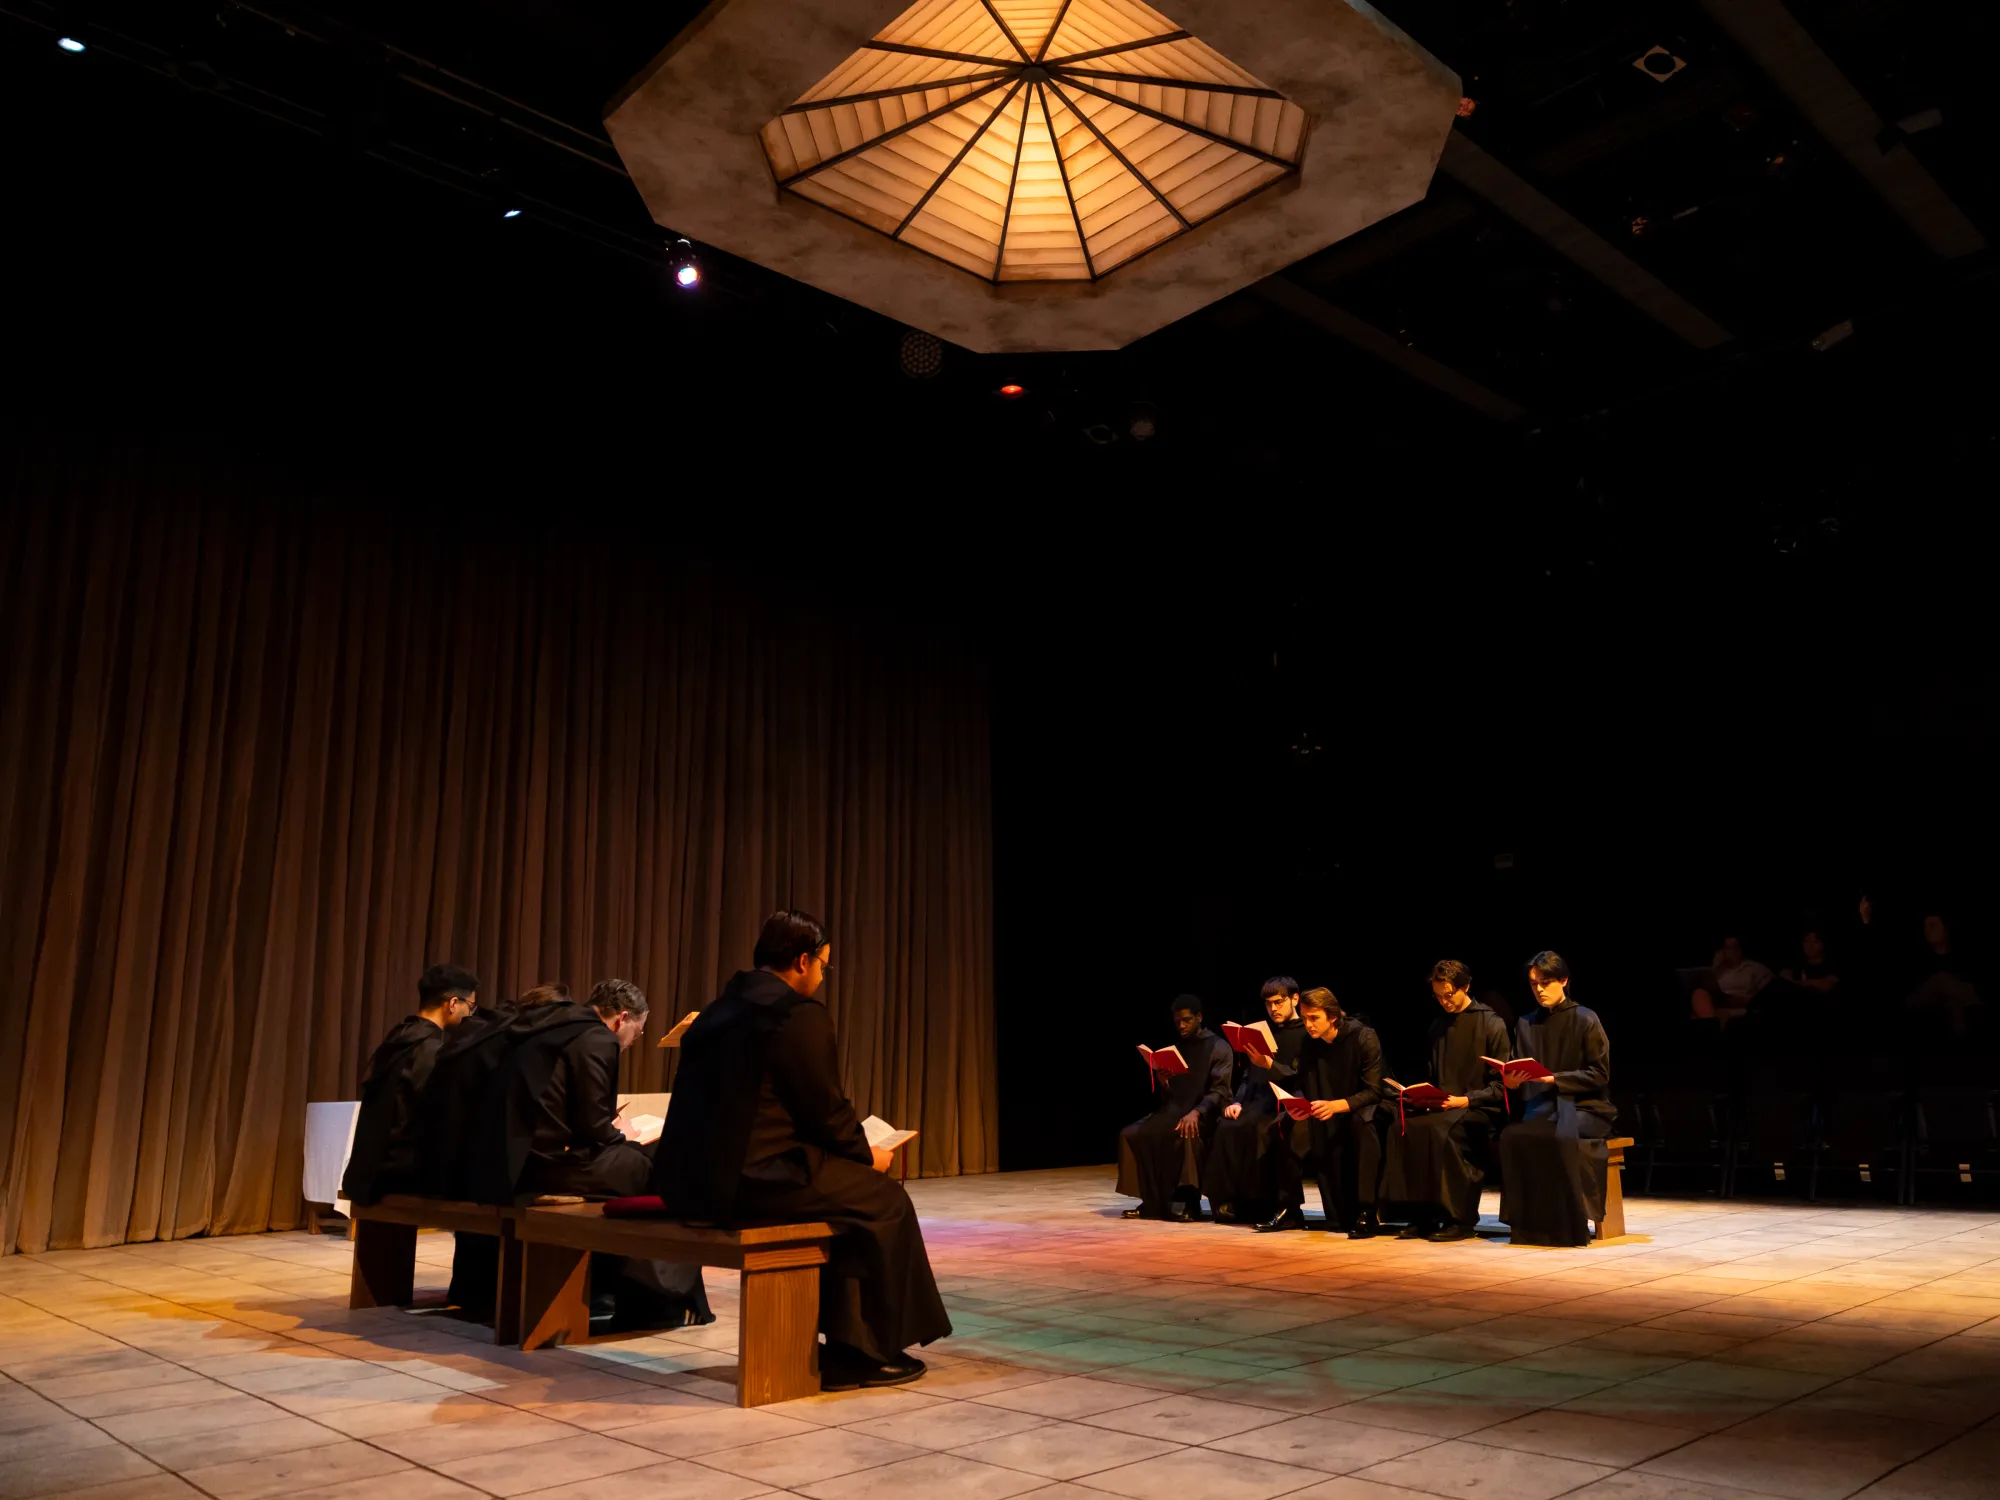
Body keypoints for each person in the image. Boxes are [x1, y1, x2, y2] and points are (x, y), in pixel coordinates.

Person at [651, 910, 950, 1389]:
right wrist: (866, 1154)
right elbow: (825, 1110)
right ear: (802, 960)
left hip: (690, 1179)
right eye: (823, 966)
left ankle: (853, 1345)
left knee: (850, 1202)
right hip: (753, 1177)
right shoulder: (793, 1013)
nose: (821, 977)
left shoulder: (715, 1012)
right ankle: (867, 1350)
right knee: (884, 1199)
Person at [475, 979, 712, 1329]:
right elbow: (593, 1127)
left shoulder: (550, 1027)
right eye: (637, 1033)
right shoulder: (596, 1038)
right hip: (555, 1166)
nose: (632, 1042)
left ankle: (609, 1287)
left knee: (639, 1162)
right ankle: (655, 1303)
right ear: (622, 1018)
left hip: (521, 1162)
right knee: (659, 1166)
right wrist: (624, 1138)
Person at [1380, 959, 1510, 1242]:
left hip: (1478, 1108)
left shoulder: (1491, 1023)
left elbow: (1502, 1085)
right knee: (1405, 1128)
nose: (1444, 1002)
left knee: (1441, 1131)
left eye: (1448, 995)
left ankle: (1459, 1220)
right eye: (1438, 996)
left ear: (1465, 987)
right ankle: (1421, 1217)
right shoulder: (1438, 1026)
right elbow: (1433, 1077)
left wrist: (1464, 1100)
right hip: (1443, 1107)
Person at [1499, 951, 1616, 1247]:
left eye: (1546, 982)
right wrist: (1512, 1081)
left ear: (1563, 981)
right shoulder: (1526, 1023)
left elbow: (1599, 1074)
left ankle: (1566, 1226)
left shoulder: (1585, 1018)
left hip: (1585, 1107)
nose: (1539, 989)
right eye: (1534, 983)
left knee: (1557, 1134)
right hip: (1541, 1105)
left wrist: (1554, 1079)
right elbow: (1517, 1066)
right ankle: (1527, 1226)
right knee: (1513, 1135)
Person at [342, 963, 479, 1207]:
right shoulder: (431, 1049)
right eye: (470, 1006)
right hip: (401, 1172)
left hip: (368, 1168)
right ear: (452, 1003)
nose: (471, 1013)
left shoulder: (396, 1038)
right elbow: (437, 1115)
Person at [1116, 995, 1233, 1223]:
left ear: (1199, 1018)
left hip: (1205, 1113)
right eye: (1177, 1021)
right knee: (1130, 1134)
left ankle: (1190, 1202)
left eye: (1187, 1020)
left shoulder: (1219, 1047)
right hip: (1175, 1109)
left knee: (1188, 1131)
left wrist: (1196, 1112)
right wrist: (1163, 1081)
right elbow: (1173, 1094)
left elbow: (1220, 1090)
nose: (1181, 1025)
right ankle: (1152, 1200)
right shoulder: (1176, 1049)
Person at [1200, 977, 1308, 1226]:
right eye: (1269, 1004)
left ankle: (1267, 1205)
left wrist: (1269, 1064)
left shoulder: (1306, 1034)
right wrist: (1237, 1101)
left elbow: (1300, 1077)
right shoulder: (1264, 1033)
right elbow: (1249, 1075)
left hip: (1286, 1101)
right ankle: (1234, 1202)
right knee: (1227, 1127)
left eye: (1279, 1002)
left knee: (1261, 1130)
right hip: (1257, 1100)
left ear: (1294, 999)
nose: (1274, 1009)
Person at [1282, 987, 1385, 1237]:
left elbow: (1374, 1091)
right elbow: (1301, 1081)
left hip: (1367, 1106)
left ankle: (1366, 1212)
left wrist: (1337, 1105)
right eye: (1305, 1018)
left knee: (1362, 1123)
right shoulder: (1310, 1042)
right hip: (1327, 1107)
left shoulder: (1363, 1037)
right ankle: (1289, 1207)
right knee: (1286, 1124)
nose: (1308, 1024)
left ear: (1333, 1016)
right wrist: (1298, 1104)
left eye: (1314, 1018)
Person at [1689, 936, 1773, 1026]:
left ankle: (1715, 1028)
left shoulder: (1755, 968)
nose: (1727, 951)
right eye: (1725, 948)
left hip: (1742, 1007)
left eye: (1731, 947)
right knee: (1699, 994)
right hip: (1717, 1005)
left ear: (1740, 949)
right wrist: (1715, 966)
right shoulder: (1717, 969)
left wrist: (1746, 1000)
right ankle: (1714, 1026)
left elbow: (1771, 992)